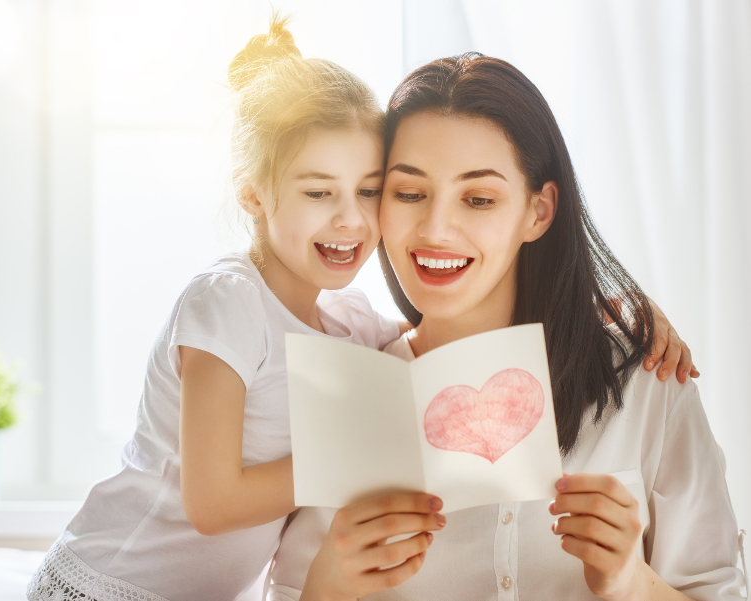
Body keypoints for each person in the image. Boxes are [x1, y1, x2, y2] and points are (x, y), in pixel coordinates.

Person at [267, 54, 743, 601]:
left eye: (479, 199)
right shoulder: (346, 393)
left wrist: (632, 583)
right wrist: (327, 585)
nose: (437, 228)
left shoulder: (646, 382)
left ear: (538, 212)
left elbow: (719, 588)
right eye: (409, 193)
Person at [26, 18, 401, 601]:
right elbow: (214, 503)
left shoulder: (351, 323)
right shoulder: (229, 304)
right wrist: (352, 455)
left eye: (369, 190)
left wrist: (575, 307)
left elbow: (443, 334)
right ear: (253, 194)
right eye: (318, 191)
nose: (351, 218)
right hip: (103, 585)